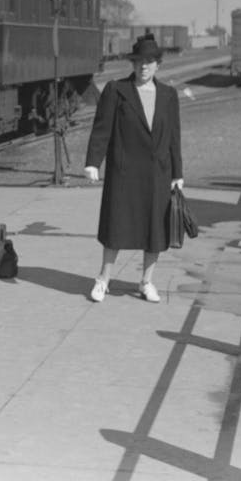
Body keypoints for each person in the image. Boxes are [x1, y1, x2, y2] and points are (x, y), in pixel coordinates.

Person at [83, 33, 184, 304]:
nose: (144, 67)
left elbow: (174, 136)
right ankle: (103, 279)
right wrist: (93, 161)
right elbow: (102, 129)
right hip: (124, 171)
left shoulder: (168, 95)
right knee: (116, 226)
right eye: (139, 61)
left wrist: (178, 173)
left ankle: (146, 282)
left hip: (157, 174)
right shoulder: (117, 90)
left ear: (158, 65)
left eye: (150, 62)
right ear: (133, 63)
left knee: (155, 230)